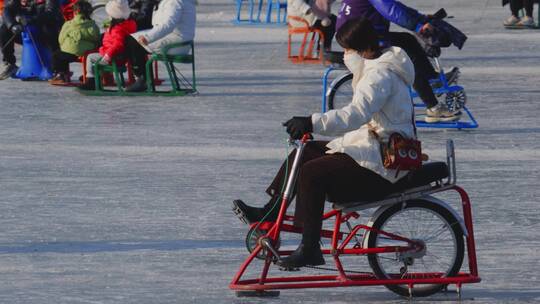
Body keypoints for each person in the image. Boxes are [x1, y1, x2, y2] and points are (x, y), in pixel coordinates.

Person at [233, 17, 416, 268]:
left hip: (385, 163)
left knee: (311, 174)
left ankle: (310, 248)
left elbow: (355, 114)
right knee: (307, 151)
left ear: (359, 48)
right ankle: (272, 210)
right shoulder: (376, 65)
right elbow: (362, 74)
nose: (345, 53)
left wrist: (312, 122)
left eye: (347, 48)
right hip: (374, 148)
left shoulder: (379, 75)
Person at [335, 0, 461, 123]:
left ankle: (431, 79)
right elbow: (392, 11)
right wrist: (418, 26)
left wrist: (421, 18)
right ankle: (433, 106)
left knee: (407, 40)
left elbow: (397, 7)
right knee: (407, 57)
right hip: (360, 42)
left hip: (356, 38)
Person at [122, 0, 196, 92]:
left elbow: (167, 25)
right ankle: (144, 78)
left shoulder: (174, 2)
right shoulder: (170, 2)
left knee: (132, 41)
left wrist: (148, 37)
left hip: (175, 43)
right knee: (133, 38)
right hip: (178, 40)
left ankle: (143, 80)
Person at [78, 0, 137, 90]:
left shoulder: (117, 29)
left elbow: (118, 44)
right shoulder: (126, 24)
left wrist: (108, 55)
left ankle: (91, 80)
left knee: (90, 57)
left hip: (113, 57)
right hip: (120, 56)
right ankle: (99, 78)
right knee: (95, 56)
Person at [0, 0, 64, 80]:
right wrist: (12, 25)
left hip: (45, 30)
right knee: (4, 29)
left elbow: (51, 13)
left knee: (50, 30)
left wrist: (32, 19)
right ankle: (10, 64)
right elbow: (7, 9)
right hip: (27, 31)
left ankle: (58, 70)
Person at [49, 0, 100, 85]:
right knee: (64, 55)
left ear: (75, 12)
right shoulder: (93, 25)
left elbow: (61, 38)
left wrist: (64, 45)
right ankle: (87, 74)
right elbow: (96, 38)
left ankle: (61, 75)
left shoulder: (69, 24)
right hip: (88, 53)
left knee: (57, 56)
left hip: (71, 52)